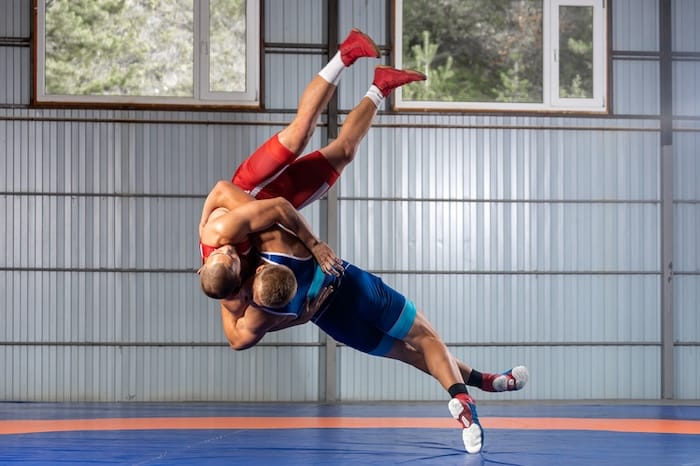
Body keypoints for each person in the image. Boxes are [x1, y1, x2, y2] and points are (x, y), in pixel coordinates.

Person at [211, 181, 529, 455]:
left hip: (332, 320)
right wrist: (315, 244)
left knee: (413, 355)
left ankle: (485, 381)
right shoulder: (269, 240)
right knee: (426, 339)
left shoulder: (256, 312)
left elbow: (237, 341)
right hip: (351, 286)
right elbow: (230, 192)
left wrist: (294, 316)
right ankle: (464, 400)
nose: (222, 250)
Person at [198, 28, 426, 299]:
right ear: (237, 281)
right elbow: (238, 341)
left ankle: (346, 53)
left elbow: (223, 189)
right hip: (277, 205)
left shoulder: (219, 234)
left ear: (202, 268)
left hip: (251, 188)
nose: (228, 250)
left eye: (223, 253)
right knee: (344, 152)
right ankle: (381, 86)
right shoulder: (235, 288)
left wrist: (314, 245)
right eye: (231, 258)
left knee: (299, 133)